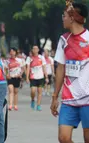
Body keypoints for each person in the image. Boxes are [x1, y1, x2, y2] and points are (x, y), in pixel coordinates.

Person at [51, 2, 89, 143]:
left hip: (88, 99)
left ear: (72, 17)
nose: (63, 18)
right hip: (69, 99)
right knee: (63, 138)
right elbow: (60, 68)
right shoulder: (64, 40)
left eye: (64, 15)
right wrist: (55, 96)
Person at [26, 45, 48, 111]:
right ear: (32, 50)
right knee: (33, 91)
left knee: (39, 91)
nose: (35, 50)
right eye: (34, 48)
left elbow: (44, 67)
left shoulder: (41, 58)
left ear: (38, 50)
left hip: (40, 77)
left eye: (36, 48)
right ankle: (32, 100)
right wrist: (27, 77)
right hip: (33, 77)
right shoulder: (29, 58)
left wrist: (46, 77)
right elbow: (28, 68)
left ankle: (38, 105)